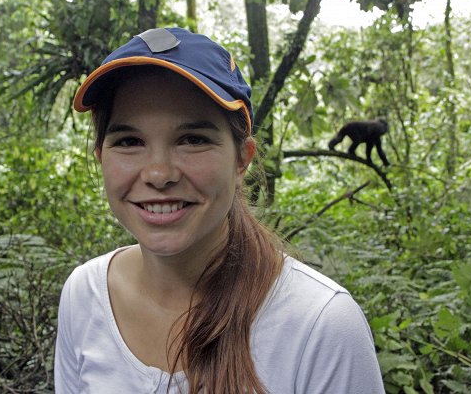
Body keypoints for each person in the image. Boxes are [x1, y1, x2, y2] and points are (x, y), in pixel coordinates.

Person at [54, 27, 384, 394]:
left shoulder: (320, 325)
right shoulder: (85, 296)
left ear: (242, 159)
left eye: (193, 140)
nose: (159, 174)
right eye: (129, 141)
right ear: (102, 158)